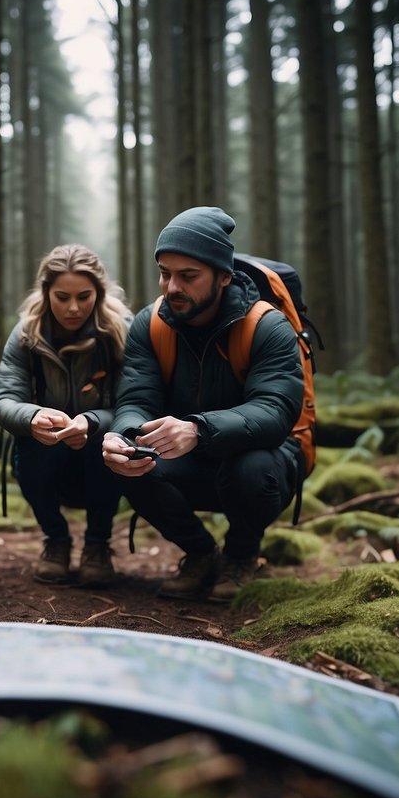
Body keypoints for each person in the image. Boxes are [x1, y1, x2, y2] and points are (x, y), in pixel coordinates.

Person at [101, 207, 305, 602]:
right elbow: (136, 399)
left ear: (224, 277)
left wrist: (198, 429)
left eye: (188, 276)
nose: (171, 286)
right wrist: (123, 436)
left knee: (252, 466)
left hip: (262, 463)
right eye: (164, 273)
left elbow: (277, 410)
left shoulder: (267, 325)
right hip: (187, 459)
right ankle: (199, 554)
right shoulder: (150, 324)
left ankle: (241, 555)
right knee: (126, 462)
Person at [0, 244, 131, 585]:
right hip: (47, 457)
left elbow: (132, 405)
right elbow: (5, 398)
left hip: (99, 460)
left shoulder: (121, 332)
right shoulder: (27, 333)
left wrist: (91, 421)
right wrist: (33, 417)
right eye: (62, 296)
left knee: (108, 438)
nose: (73, 308)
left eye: (84, 297)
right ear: (45, 293)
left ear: (99, 293)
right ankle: (56, 539)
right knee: (33, 441)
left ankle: (97, 545)